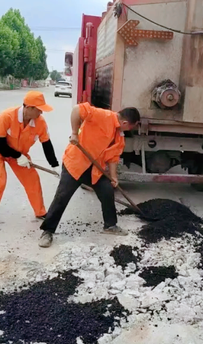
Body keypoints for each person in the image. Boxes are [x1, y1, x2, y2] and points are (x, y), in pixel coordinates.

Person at [38, 102, 140, 248]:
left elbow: (113, 158)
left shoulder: (119, 136)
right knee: (62, 197)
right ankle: (47, 231)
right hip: (76, 163)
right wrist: (75, 133)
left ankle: (110, 226)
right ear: (125, 122)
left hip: (94, 170)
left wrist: (113, 177)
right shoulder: (102, 115)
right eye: (131, 126)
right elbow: (77, 109)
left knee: (107, 190)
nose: (131, 130)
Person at [0, 90, 59, 228]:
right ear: (29, 108)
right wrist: (18, 156)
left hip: (19, 153)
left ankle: (40, 212)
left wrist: (54, 165)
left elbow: (46, 144)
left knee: (32, 179)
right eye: (39, 110)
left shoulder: (40, 122)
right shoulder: (7, 116)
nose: (41, 113)